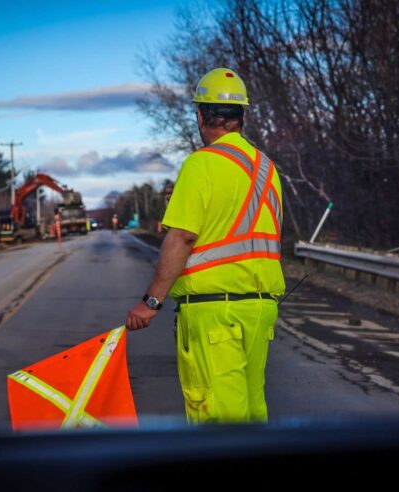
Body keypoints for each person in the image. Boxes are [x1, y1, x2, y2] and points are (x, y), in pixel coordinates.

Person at [124, 68, 285, 424]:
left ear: (200, 115)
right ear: (242, 115)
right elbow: (240, 225)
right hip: (260, 311)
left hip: (215, 313)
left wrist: (152, 302)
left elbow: (182, 237)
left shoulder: (202, 164)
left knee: (219, 421)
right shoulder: (267, 169)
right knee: (251, 412)